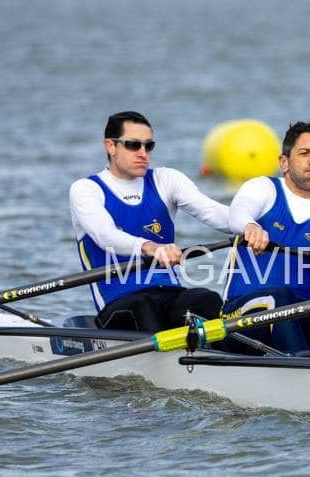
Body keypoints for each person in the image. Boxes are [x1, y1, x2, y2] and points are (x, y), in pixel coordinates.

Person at [70, 111, 230, 332]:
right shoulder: (87, 189)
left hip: (170, 294)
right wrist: (150, 247)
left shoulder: (166, 180)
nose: (143, 153)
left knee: (206, 299)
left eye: (148, 146)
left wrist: (252, 226)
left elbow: (213, 211)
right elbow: (105, 235)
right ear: (110, 146)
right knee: (144, 306)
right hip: (120, 303)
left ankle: (222, 350)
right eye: (133, 145)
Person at [222, 122, 310, 353]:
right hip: (239, 319)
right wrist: (251, 227)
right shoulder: (264, 188)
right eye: (304, 153)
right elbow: (237, 213)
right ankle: (303, 367)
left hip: (299, 315)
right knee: (281, 296)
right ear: (284, 162)